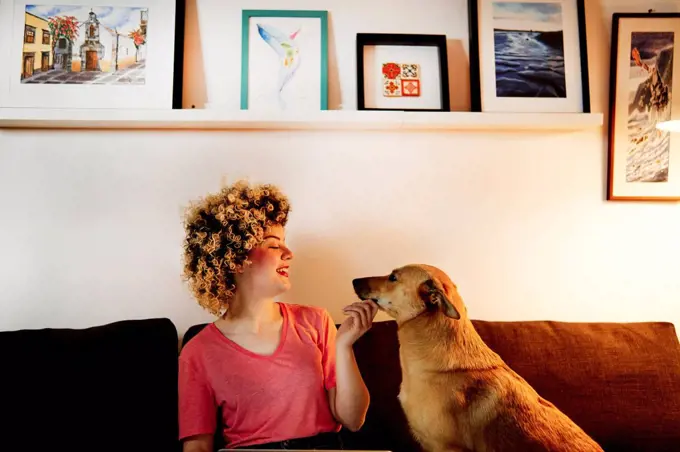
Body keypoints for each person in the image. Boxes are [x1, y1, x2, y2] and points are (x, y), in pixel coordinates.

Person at [178, 180, 378, 452]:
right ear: (236, 258)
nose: (289, 253)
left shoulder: (316, 321)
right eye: (274, 246)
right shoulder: (197, 353)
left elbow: (353, 419)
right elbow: (197, 448)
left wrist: (343, 346)